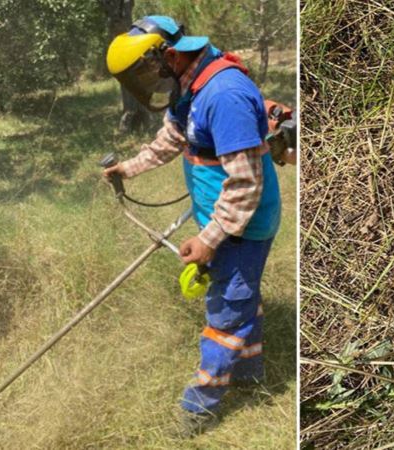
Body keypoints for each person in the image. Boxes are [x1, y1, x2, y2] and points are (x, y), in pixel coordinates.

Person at [103, 15, 281, 436]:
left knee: (225, 312)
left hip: (243, 225)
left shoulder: (225, 95)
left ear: (166, 56)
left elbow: (245, 184)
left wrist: (208, 238)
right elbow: (172, 139)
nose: (146, 81)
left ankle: (200, 405)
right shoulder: (190, 83)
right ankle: (248, 373)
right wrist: (127, 169)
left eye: (143, 71)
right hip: (223, 222)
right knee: (242, 297)